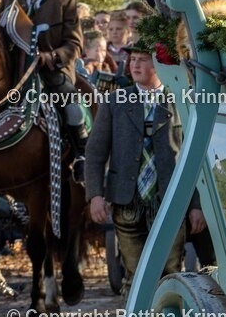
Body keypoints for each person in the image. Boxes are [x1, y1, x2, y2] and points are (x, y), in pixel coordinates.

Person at [86, 40, 206, 296]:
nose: (135, 64)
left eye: (143, 59)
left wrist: (196, 205)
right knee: (135, 274)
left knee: (170, 273)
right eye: (132, 60)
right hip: (126, 201)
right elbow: (95, 151)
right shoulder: (115, 101)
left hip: (170, 202)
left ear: (159, 64)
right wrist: (95, 195)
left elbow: (196, 158)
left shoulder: (181, 100)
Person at [0, 0, 86, 180]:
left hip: (51, 69)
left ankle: (80, 154)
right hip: (15, 67)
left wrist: (51, 56)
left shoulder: (65, 1)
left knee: (70, 101)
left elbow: (74, 45)